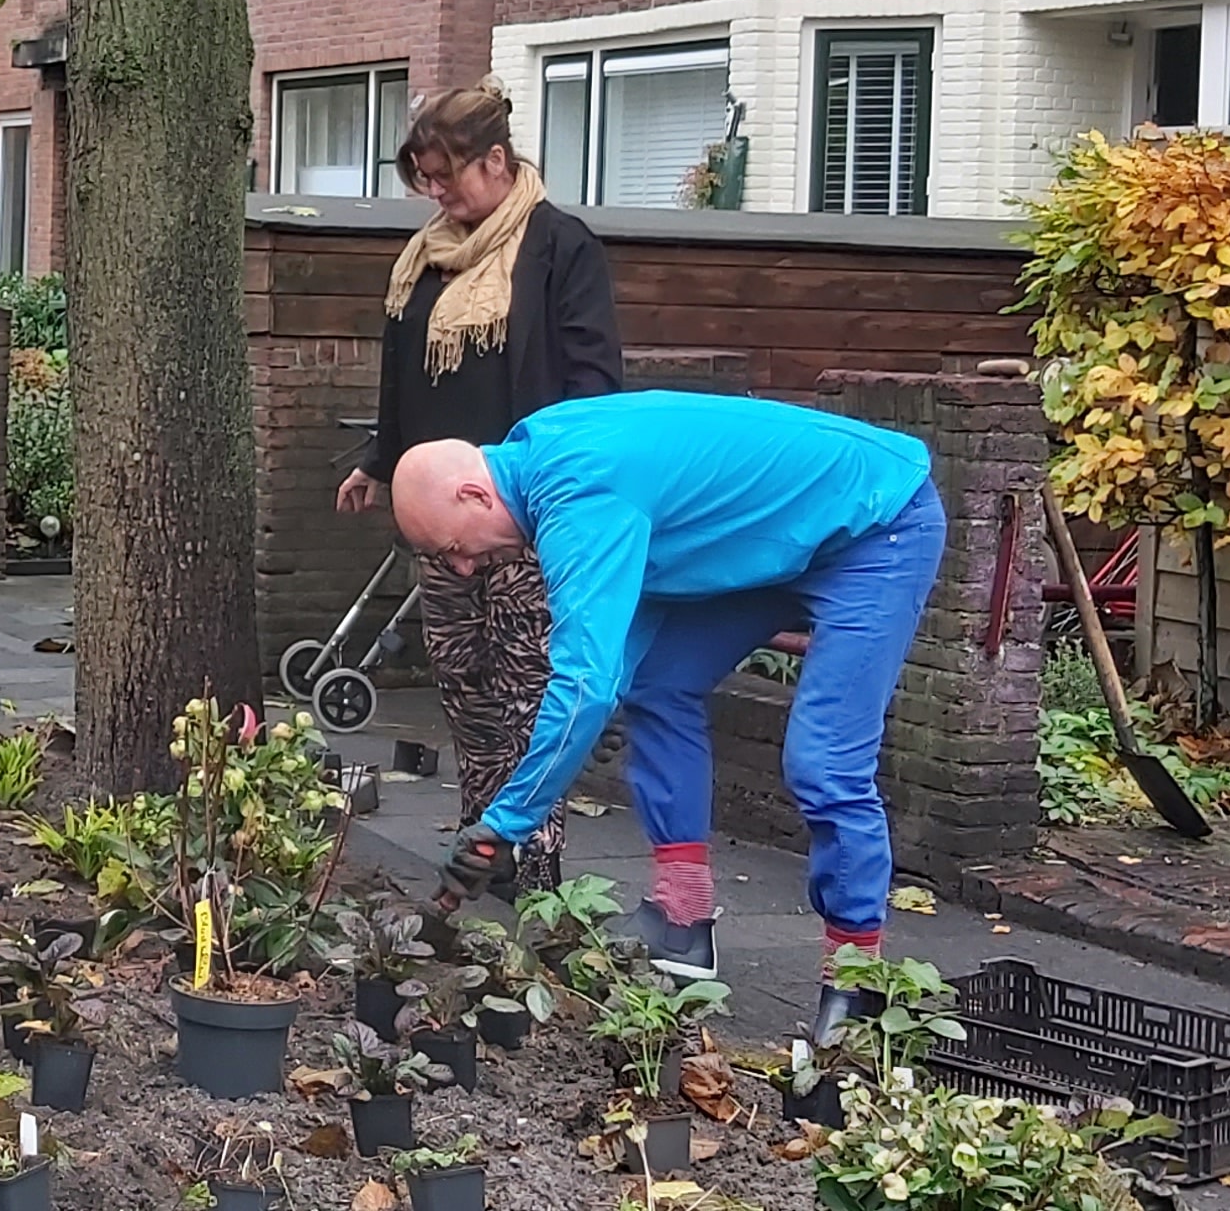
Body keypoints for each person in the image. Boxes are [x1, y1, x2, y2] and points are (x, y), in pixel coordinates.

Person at [388, 393, 947, 1044]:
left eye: (453, 548)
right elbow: (628, 629)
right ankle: (682, 923)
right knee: (659, 685)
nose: (461, 567)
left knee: (825, 762)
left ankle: (855, 984)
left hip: (877, 524)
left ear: (475, 496)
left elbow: (583, 690)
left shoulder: (578, 498)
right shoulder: (538, 454)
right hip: (775, 536)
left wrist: (507, 821)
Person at [333, 81, 619, 895]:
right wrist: (380, 463)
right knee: (461, 678)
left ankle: (535, 848)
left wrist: (563, 491)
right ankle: (480, 832)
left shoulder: (561, 248)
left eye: (445, 175)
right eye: (423, 178)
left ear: (496, 160)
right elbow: (405, 377)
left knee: (528, 680)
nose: (435, 192)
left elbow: (596, 384)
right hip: (444, 514)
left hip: (524, 510)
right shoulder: (424, 257)